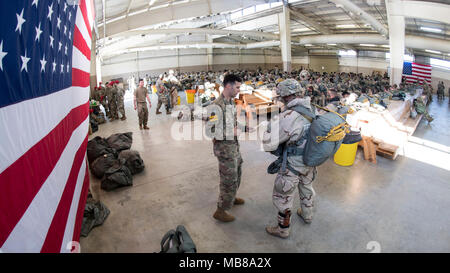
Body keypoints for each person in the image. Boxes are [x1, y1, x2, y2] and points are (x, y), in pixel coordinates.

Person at [262, 79, 317, 239]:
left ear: (285, 97)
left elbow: (268, 144)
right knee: (307, 187)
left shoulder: (288, 116)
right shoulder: (312, 108)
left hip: (292, 166)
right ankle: (307, 215)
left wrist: (272, 126)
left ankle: (283, 230)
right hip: (310, 161)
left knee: (283, 197)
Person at [206, 74, 245, 222]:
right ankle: (221, 210)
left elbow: (232, 123)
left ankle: (231, 197)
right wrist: (231, 132)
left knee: (238, 173)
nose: (238, 90)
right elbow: (210, 132)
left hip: (233, 147)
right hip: (224, 150)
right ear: (228, 86)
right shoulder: (216, 106)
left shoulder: (231, 103)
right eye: (237, 87)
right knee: (228, 179)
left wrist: (244, 128)